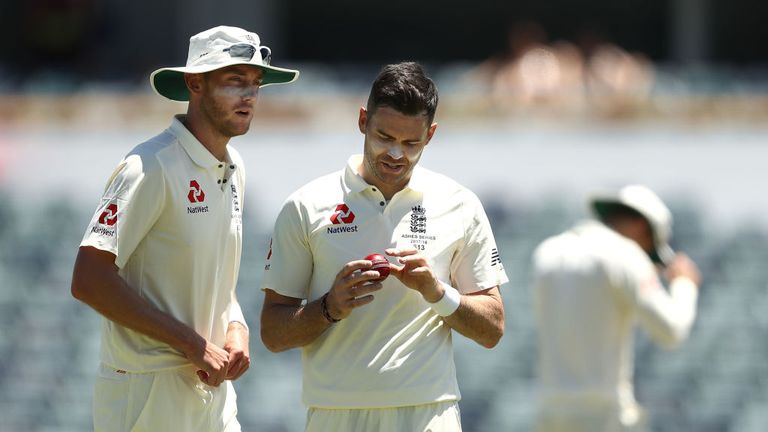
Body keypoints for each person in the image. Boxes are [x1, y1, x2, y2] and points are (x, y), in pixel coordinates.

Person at [70, 25, 299, 431]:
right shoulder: (149, 166)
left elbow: (216, 279)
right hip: (146, 390)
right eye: (234, 81)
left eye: (255, 83)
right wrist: (192, 345)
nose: (249, 95)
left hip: (211, 387)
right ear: (195, 83)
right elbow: (88, 278)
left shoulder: (235, 166)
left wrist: (235, 329)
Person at [259, 61, 508, 431]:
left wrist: (437, 292)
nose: (395, 154)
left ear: (431, 135)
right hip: (335, 415)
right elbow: (273, 334)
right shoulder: (306, 204)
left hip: (429, 413)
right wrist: (330, 306)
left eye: (411, 143)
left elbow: (493, 329)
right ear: (363, 120)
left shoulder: (460, 203)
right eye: (384, 137)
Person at [531, 185, 701, 432]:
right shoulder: (626, 255)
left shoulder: (548, 251)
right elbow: (672, 330)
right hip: (603, 416)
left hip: (549, 411)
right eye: (650, 249)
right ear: (642, 227)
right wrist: (685, 284)